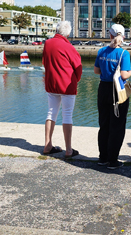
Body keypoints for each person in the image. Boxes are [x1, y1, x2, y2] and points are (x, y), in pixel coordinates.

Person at [94, 24, 131, 169]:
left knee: (104, 124)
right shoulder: (124, 54)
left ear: (109, 35)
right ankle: (113, 160)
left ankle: (102, 157)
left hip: (103, 89)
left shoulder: (101, 51)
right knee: (117, 126)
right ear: (123, 37)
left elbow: (96, 71)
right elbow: (124, 75)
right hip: (118, 91)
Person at [41, 21, 83, 158]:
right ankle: (69, 150)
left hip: (51, 84)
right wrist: (76, 80)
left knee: (51, 113)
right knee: (67, 115)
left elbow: (44, 61)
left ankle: (47, 145)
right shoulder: (69, 47)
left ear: (57, 30)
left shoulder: (47, 43)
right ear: (68, 33)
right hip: (67, 85)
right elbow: (78, 67)